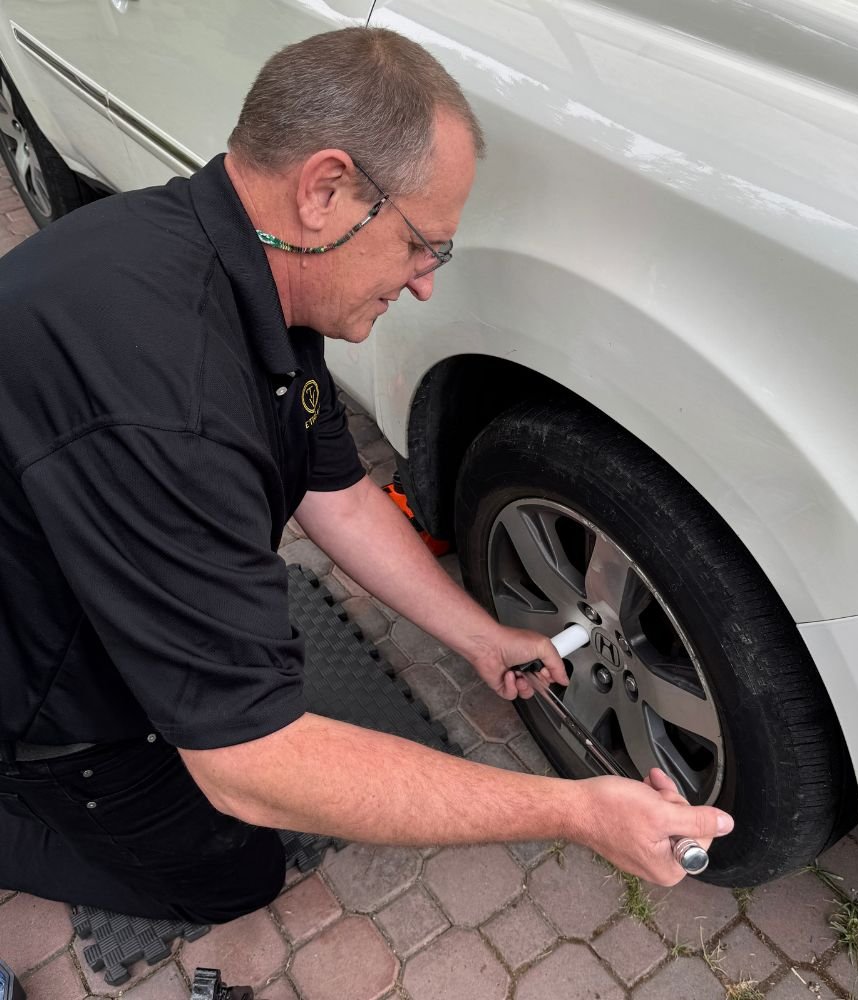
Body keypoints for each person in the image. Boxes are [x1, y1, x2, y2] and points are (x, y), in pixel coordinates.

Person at [0, 27, 733, 924]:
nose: (425, 284)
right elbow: (250, 771)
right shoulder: (171, 405)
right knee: (229, 875)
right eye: (425, 245)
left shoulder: (236, 263)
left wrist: (475, 634)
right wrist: (574, 812)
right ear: (327, 190)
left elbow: (336, 490)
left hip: (77, 557)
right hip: (36, 682)